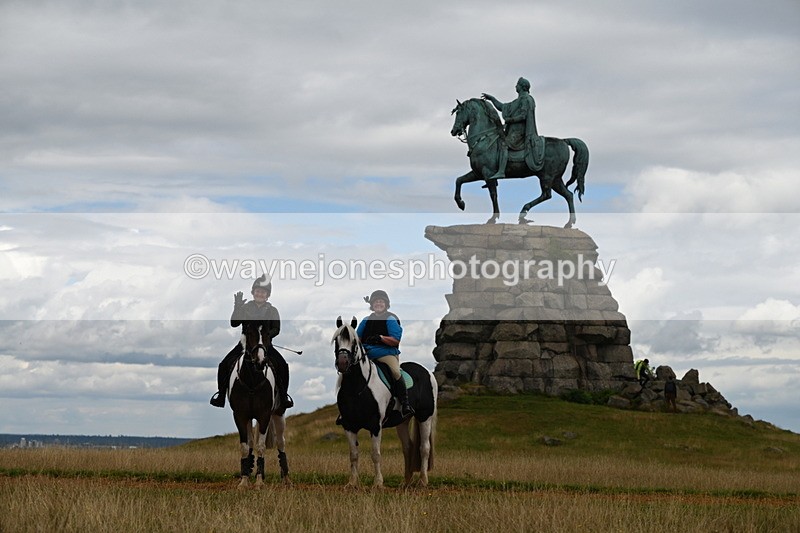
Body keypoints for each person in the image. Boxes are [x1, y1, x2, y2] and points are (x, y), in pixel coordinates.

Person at [209, 274, 293, 410]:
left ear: (267, 295)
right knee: (224, 364)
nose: (260, 294)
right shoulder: (245, 308)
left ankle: (283, 397)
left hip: (265, 345)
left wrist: (264, 337)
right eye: (258, 291)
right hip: (245, 344)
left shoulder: (272, 310)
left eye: (263, 292)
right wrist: (237, 308)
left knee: (283, 365)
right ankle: (221, 396)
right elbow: (234, 323)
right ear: (253, 292)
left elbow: (276, 329)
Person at [357, 290, 414, 418]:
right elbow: (357, 338)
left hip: (386, 354)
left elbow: (395, 340)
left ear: (386, 304)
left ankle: (405, 403)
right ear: (372, 304)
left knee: (395, 372)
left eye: (381, 301)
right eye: (376, 302)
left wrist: (381, 338)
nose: (379, 303)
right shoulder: (366, 320)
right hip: (367, 355)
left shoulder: (390, 319)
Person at [481, 76, 545, 180]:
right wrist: (492, 99)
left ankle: (501, 171)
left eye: (517, 85)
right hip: (513, 130)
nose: (516, 86)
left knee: (503, 144)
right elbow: (502, 107)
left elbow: (523, 116)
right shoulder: (518, 100)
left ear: (522, 87)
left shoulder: (526, 99)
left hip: (520, 132)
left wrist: (511, 120)